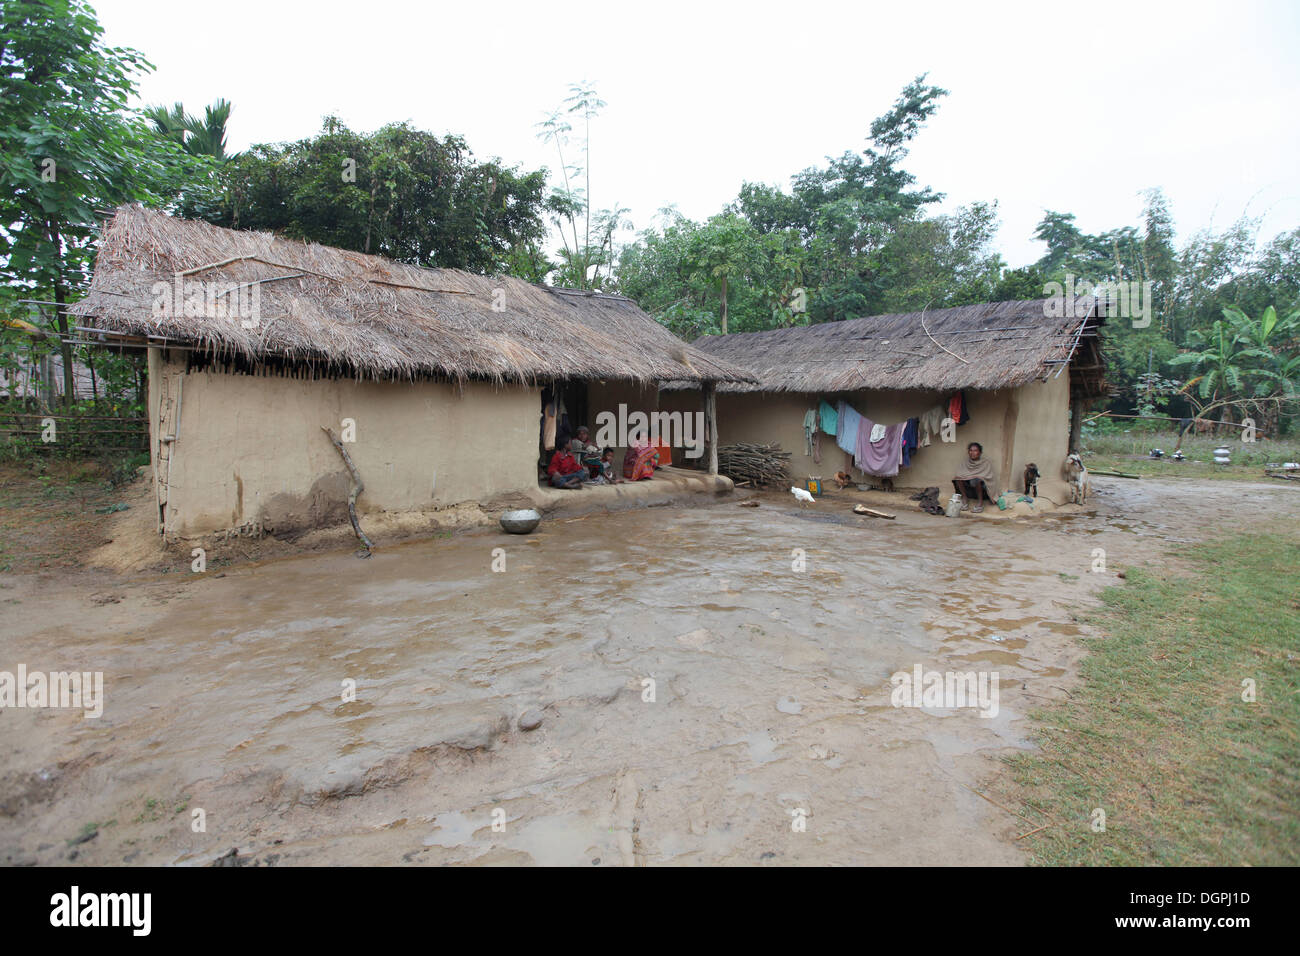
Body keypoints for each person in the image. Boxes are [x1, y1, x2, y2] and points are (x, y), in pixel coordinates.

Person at [952, 441, 996, 513]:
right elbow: (960, 474)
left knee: (976, 480)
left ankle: (980, 504)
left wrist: (975, 477)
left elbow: (988, 477)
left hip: (983, 488)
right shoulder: (966, 462)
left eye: (975, 450)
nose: (972, 452)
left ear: (980, 452)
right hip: (969, 487)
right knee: (958, 478)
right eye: (971, 450)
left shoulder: (985, 462)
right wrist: (967, 477)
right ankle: (965, 499)